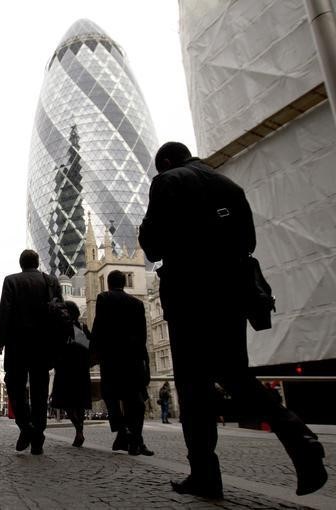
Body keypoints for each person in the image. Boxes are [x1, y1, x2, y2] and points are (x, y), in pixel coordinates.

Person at [139, 141, 327, 498]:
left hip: (190, 293)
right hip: (232, 293)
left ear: (164, 162)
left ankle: (205, 475)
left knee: (193, 386)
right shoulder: (229, 185)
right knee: (236, 376)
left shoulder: (168, 182)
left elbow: (153, 247)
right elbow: (249, 243)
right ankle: (298, 435)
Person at [0, 249, 59, 455]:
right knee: (40, 391)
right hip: (43, 345)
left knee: (15, 386)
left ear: (21, 263)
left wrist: (0, 341)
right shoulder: (51, 281)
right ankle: (38, 435)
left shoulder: (11, 281)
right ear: (38, 263)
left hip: (17, 344)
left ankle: (26, 427)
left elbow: (5, 309)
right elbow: (60, 312)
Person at [88, 270, 154, 457]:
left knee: (111, 396)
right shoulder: (138, 304)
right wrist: (145, 360)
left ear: (108, 283)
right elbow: (143, 336)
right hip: (133, 358)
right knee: (135, 400)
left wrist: (93, 355)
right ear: (125, 283)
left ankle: (123, 432)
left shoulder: (103, 298)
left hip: (111, 358)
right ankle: (135, 439)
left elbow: (98, 327)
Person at [49, 300, 92, 447]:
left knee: (65, 401)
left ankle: (78, 428)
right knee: (78, 401)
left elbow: (55, 348)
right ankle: (80, 429)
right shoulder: (81, 327)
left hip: (65, 368)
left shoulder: (61, 328)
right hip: (80, 368)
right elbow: (89, 347)